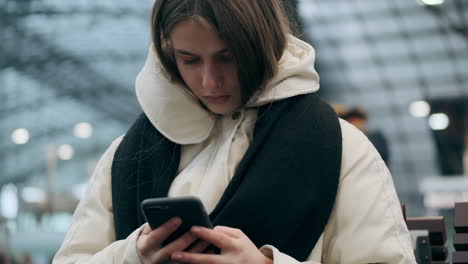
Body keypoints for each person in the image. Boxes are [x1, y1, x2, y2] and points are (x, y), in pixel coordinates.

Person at [53, 0, 416, 263]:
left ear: (261, 45)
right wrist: (132, 255)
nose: (210, 81)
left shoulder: (342, 146)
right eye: (189, 60)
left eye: (228, 57)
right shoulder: (125, 154)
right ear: (167, 56)